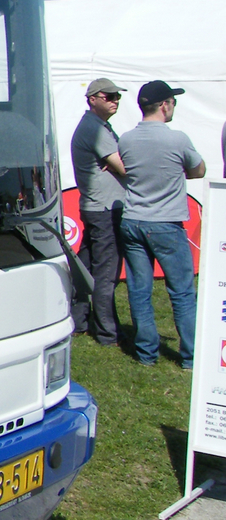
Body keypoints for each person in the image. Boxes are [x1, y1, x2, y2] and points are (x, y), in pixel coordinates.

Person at [117, 80, 206, 369]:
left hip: (133, 220)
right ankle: (191, 357)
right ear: (165, 105)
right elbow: (199, 169)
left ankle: (146, 354)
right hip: (166, 222)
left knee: (139, 290)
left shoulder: (126, 139)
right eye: (173, 103)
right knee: (182, 292)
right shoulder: (177, 139)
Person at [70, 78, 127, 346]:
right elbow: (125, 167)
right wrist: (117, 164)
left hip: (95, 206)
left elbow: (119, 163)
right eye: (109, 96)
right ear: (92, 99)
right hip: (104, 208)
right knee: (106, 273)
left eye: (117, 97)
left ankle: (79, 320)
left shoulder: (96, 126)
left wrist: (115, 163)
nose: (115, 101)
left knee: (86, 268)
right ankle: (107, 333)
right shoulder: (95, 129)